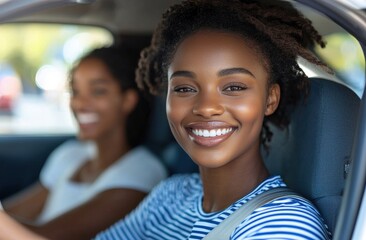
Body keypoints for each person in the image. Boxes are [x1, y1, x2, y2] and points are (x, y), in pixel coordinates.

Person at [95, 0, 332, 239]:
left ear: (270, 99)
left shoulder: (282, 224)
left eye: (234, 87)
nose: (206, 108)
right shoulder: (171, 195)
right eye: (185, 89)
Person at [2, 46, 167, 239]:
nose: (79, 103)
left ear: (128, 100)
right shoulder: (69, 154)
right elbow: (13, 213)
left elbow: (46, 236)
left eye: (98, 92)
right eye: (75, 91)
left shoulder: (142, 170)